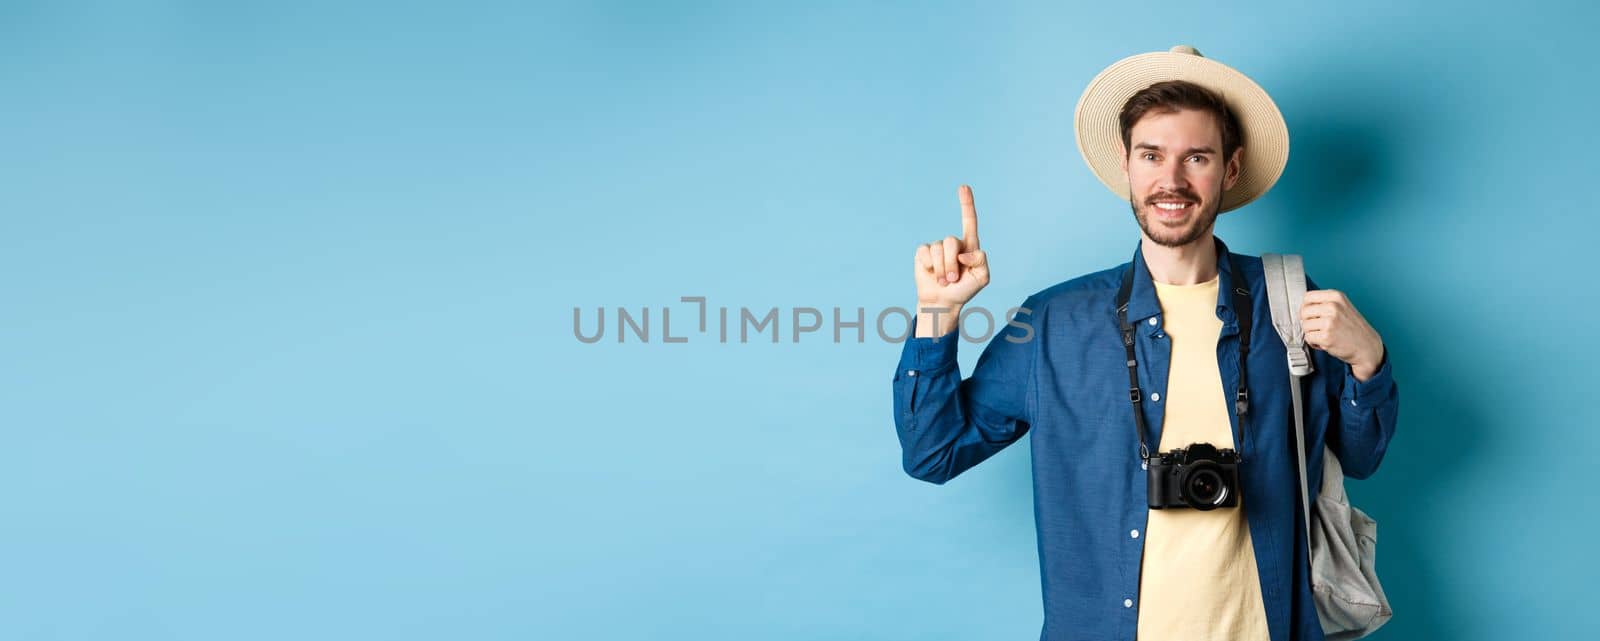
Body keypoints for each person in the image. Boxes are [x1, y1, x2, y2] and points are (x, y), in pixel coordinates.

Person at [891, 45, 1398, 641]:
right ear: (1127, 166)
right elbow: (933, 453)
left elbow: (1360, 459)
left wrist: (1369, 361)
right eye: (1152, 155)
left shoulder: (1287, 300)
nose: (1172, 180)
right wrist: (937, 315)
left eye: (1197, 157)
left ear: (1229, 171)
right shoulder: (1055, 321)